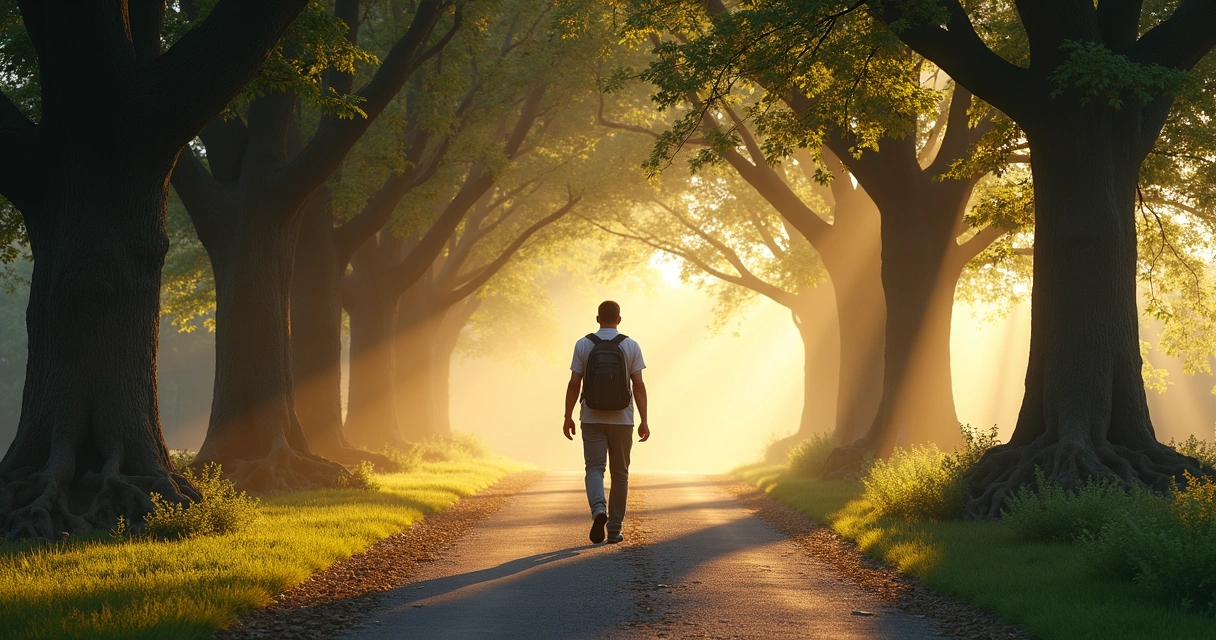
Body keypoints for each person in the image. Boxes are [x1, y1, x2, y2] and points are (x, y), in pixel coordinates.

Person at [563, 300, 649, 544]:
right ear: (619, 319)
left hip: (591, 417)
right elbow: (638, 385)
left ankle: (598, 510)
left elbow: (574, 383)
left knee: (594, 468)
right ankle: (614, 530)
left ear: (597, 318)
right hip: (623, 419)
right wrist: (644, 420)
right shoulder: (631, 345)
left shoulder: (583, 344)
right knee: (620, 474)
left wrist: (567, 416)